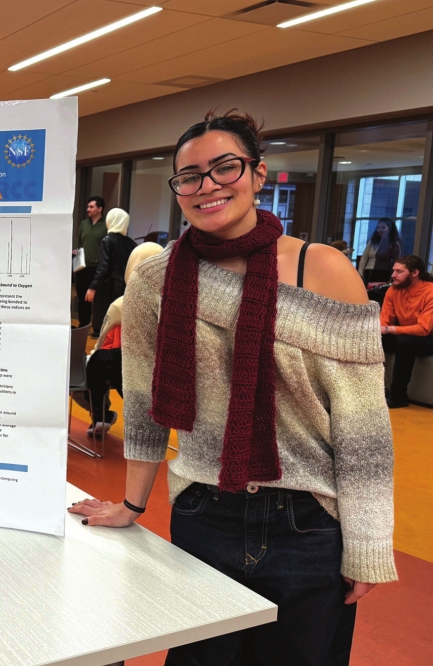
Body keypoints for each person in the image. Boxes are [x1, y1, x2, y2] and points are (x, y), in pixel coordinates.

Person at [69, 109, 396, 666]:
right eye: (189, 176)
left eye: (225, 168)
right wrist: (132, 504)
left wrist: (367, 543)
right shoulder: (156, 279)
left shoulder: (323, 269)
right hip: (205, 512)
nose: (208, 186)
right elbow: (144, 403)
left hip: (309, 523)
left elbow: (362, 424)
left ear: (258, 173)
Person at [85, 242, 163, 436]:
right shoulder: (175, 303)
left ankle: (102, 414)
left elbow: (101, 343)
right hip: (163, 379)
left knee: (93, 366)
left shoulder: (121, 304)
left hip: (128, 376)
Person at [379, 255, 433, 408]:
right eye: (394, 270)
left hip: (428, 338)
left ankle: (399, 396)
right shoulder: (393, 290)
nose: (393, 275)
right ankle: (376, 390)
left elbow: (423, 329)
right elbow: (384, 321)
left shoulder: (430, 291)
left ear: (415, 273)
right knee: (375, 338)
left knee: (405, 341)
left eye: (399, 271)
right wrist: (380, 330)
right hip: (407, 335)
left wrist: (389, 329)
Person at [85, 208, 137, 336]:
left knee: (104, 323)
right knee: (118, 321)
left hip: (108, 287)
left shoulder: (107, 240)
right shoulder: (131, 243)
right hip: (124, 286)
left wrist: (92, 287)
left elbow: (103, 268)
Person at [73, 196, 108, 330]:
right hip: (82, 268)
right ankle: (83, 326)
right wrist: (76, 251)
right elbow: (79, 243)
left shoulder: (106, 225)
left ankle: (98, 328)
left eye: (91, 207)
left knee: (99, 300)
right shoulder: (83, 224)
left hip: (98, 269)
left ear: (100, 209)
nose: (88, 209)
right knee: (83, 299)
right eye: (88, 207)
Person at [357, 217, 401, 284]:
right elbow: (364, 258)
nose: (380, 230)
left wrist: (392, 277)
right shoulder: (372, 242)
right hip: (369, 271)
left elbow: (396, 262)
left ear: (390, 229)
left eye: (383, 227)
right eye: (378, 227)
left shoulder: (394, 244)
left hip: (384, 273)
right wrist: (360, 274)